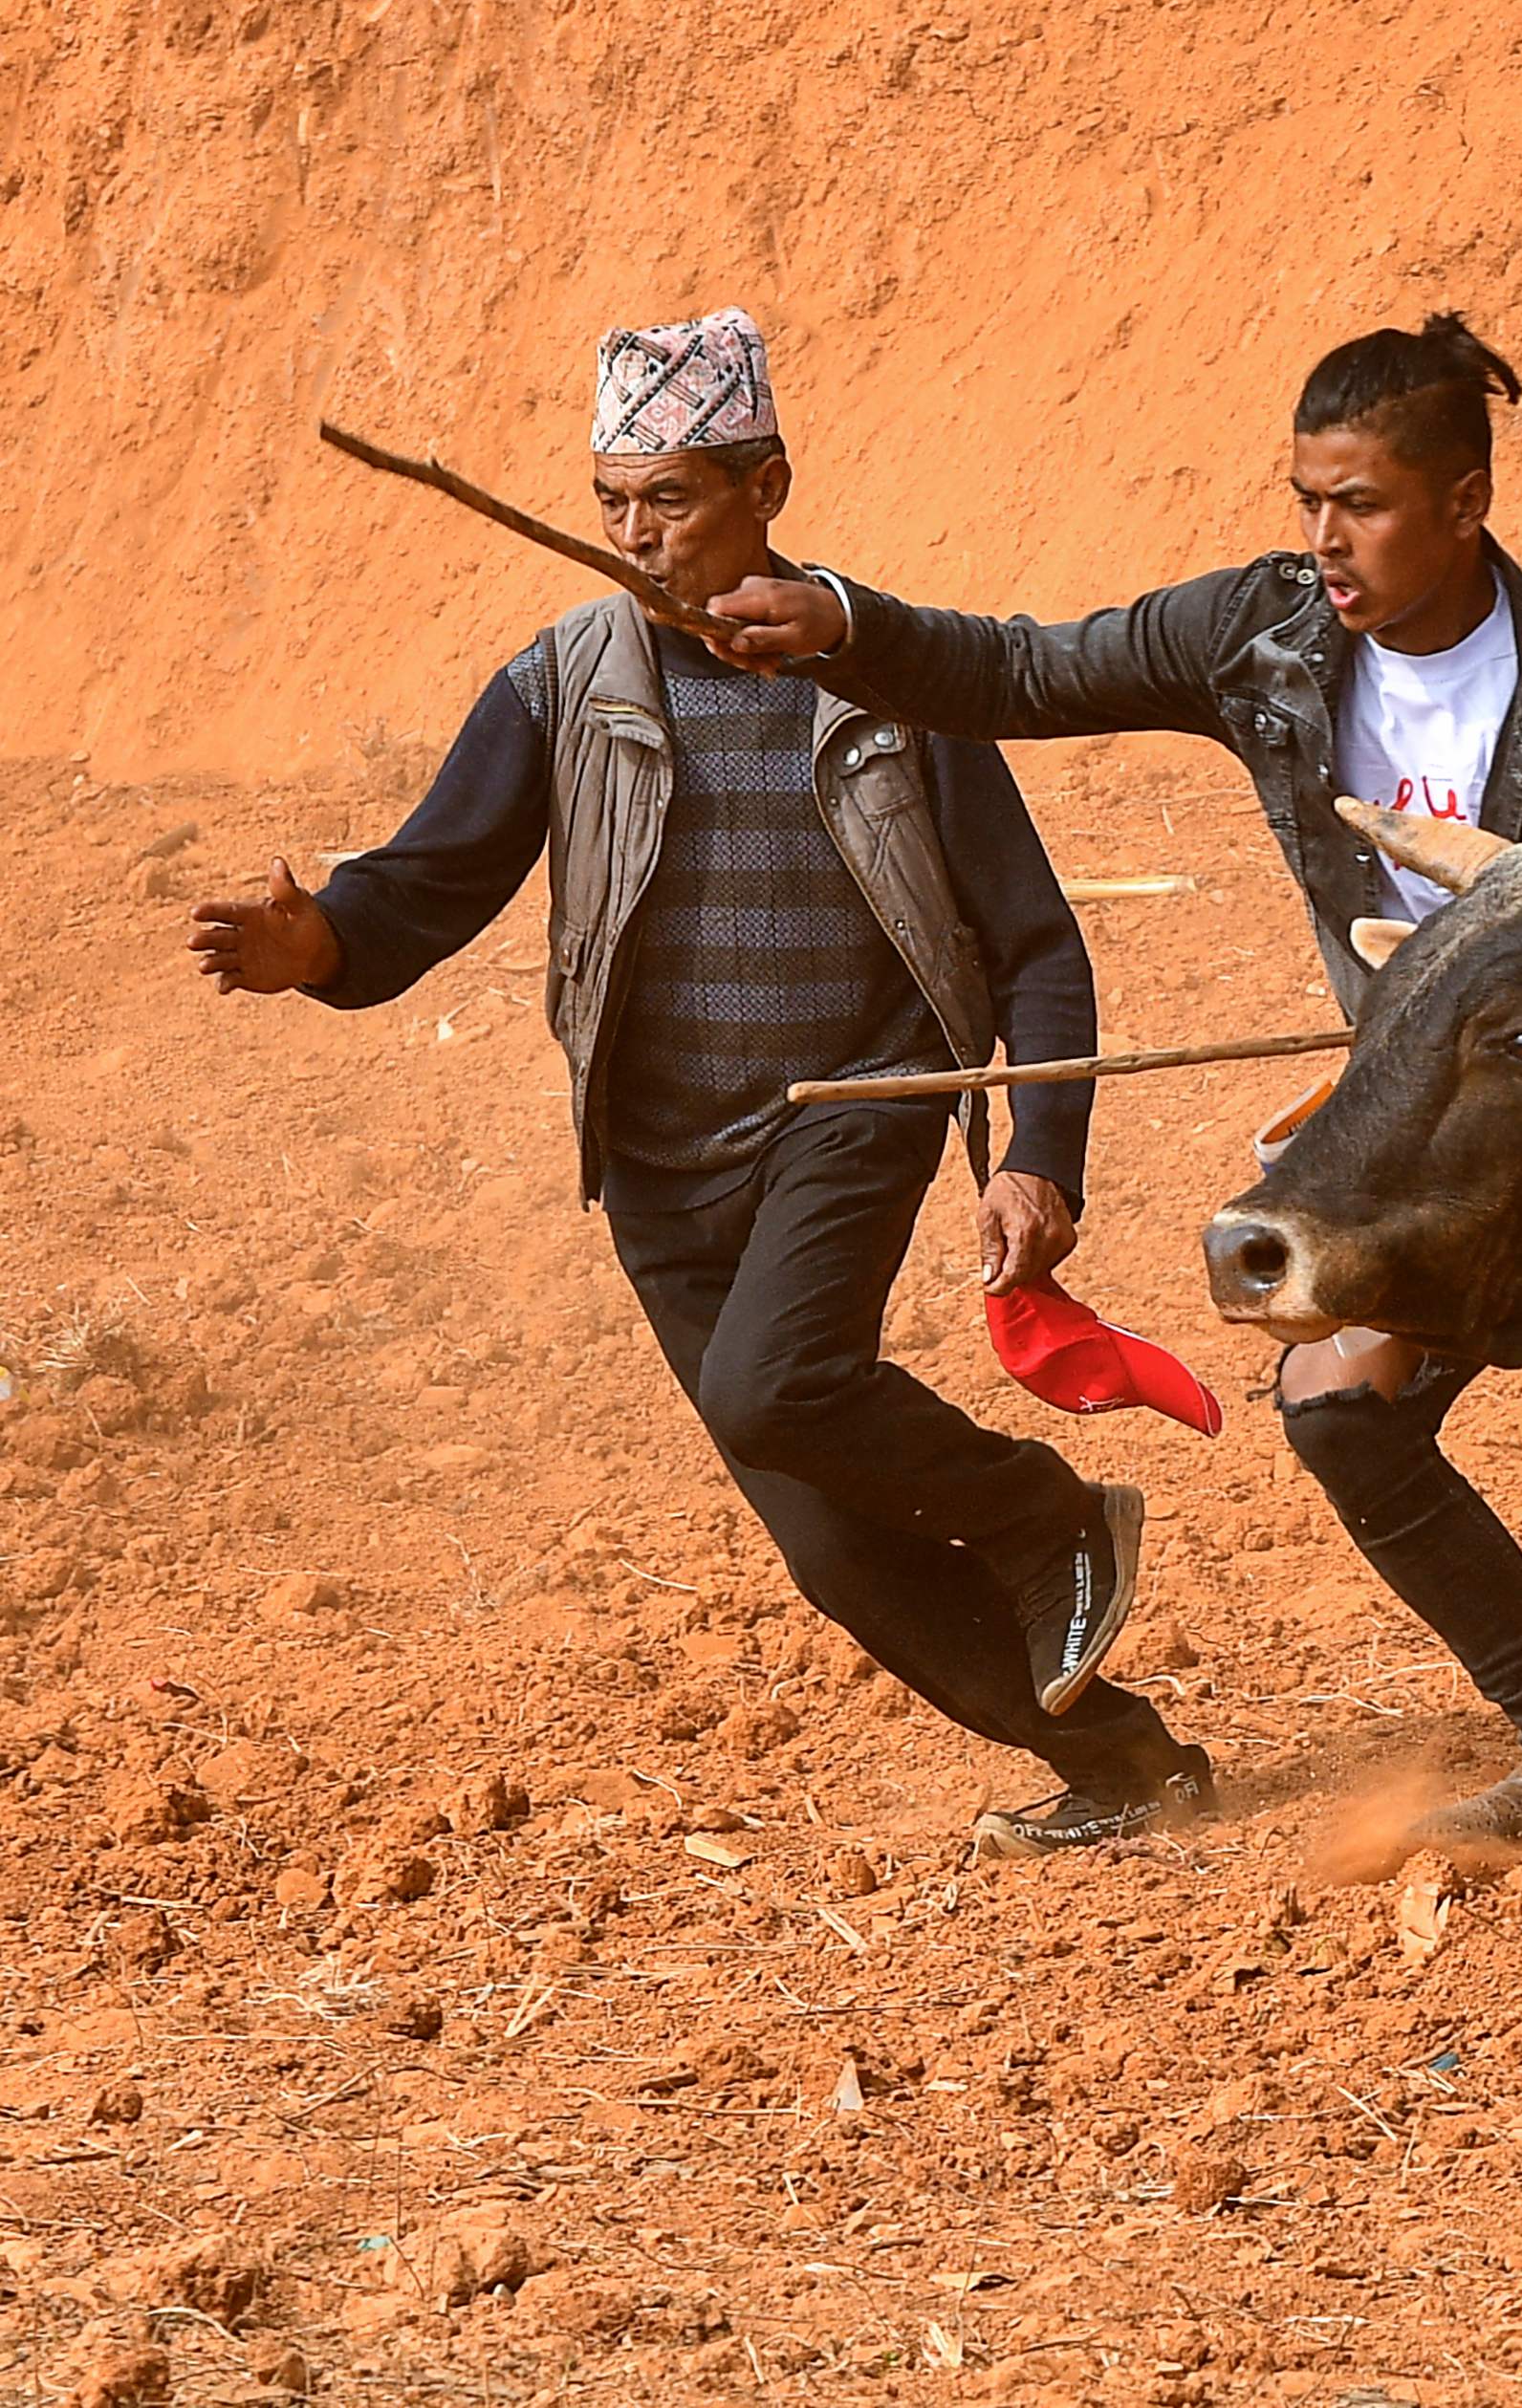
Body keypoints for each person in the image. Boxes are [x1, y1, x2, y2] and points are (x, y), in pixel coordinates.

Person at [188, 309, 1199, 1858]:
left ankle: (1050, 1518)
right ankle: (1134, 1769)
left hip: (852, 1111)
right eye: (611, 499)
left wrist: (1038, 1151)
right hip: (659, 1169)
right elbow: (422, 886)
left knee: (769, 1387)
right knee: (834, 1548)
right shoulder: (562, 683)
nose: (633, 533)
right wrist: (314, 942)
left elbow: (1036, 947)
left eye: (669, 497)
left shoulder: (887, 677)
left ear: (766, 485)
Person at [704, 315, 1522, 1864]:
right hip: (1418, 1148)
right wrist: (838, 621)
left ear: (1465, 501)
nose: (1324, 539)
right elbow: (1021, 668)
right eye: (1306, 499)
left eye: (1358, 503)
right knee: (1338, 1406)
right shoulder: (1268, 635)